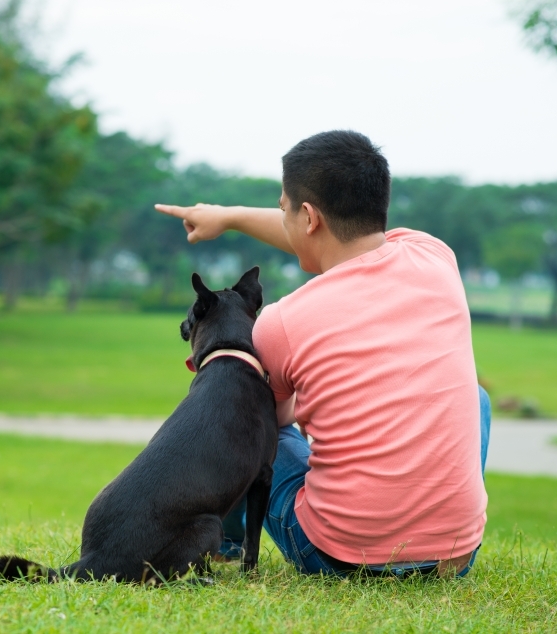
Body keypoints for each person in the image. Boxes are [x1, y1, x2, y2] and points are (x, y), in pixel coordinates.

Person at [155, 130, 489, 578]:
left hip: (337, 557)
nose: (283, 219)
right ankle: (440, 530)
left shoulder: (283, 321)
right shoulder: (433, 256)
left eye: (284, 209)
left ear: (308, 216)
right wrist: (228, 217)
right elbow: (342, 237)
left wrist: (309, 396)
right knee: (478, 399)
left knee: (244, 412)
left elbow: (261, 420)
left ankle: (227, 542)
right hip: (454, 558)